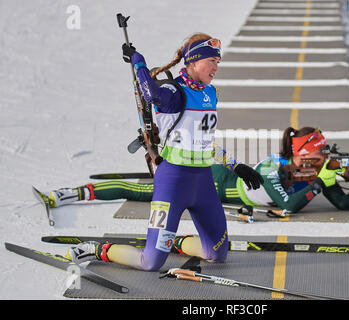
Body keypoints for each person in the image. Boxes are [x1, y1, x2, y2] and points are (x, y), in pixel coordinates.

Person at [64, 33, 264, 271]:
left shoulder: (210, 94)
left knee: (217, 254)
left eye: (218, 62)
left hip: (203, 183)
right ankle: (98, 249)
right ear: (194, 61)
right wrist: (138, 62)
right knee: (150, 263)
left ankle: (176, 243)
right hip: (172, 183)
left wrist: (235, 165)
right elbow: (152, 95)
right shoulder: (173, 91)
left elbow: (203, 141)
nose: (216, 67)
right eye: (212, 61)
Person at [49, 127, 349, 219]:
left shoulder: (313, 172)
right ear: (303, 153)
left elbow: (346, 205)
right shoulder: (275, 167)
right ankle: (76, 192)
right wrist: (319, 183)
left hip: (220, 186)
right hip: (212, 180)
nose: (325, 156)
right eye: (320, 152)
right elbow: (288, 205)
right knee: (146, 191)